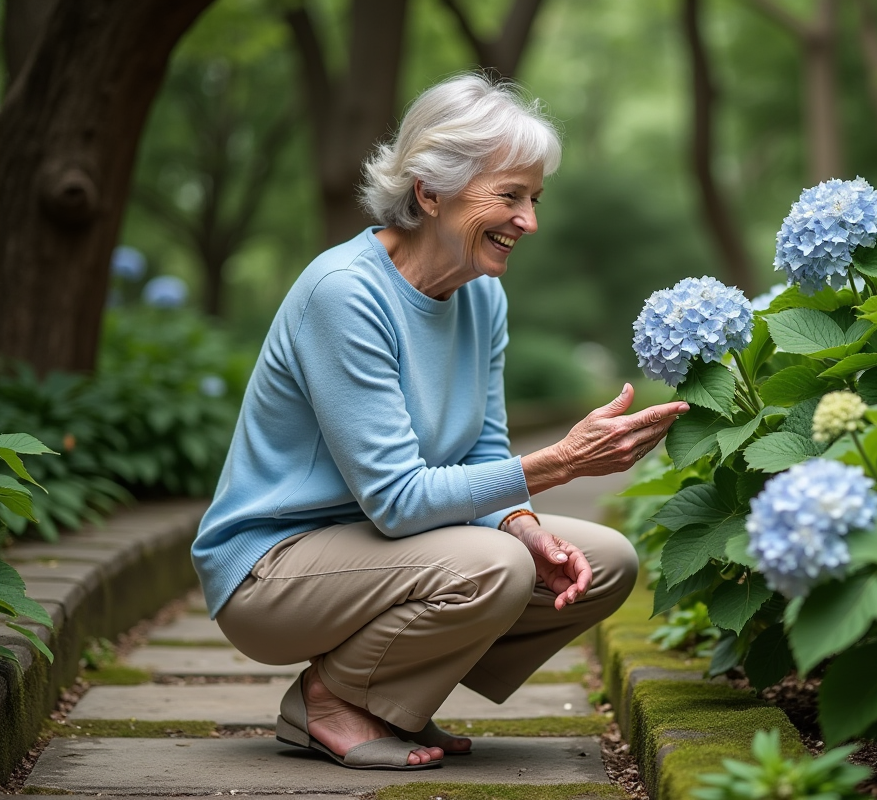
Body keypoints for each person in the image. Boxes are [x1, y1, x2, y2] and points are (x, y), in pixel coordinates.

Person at [190, 73, 689, 771]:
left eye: (534, 198)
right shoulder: (346, 294)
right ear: (429, 192)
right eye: (509, 196)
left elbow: (483, 443)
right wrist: (561, 464)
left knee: (603, 563)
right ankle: (329, 702)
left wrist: (525, 523)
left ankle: (389, 700)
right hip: (273, 568)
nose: (529, 222)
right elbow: (396, 502)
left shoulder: (481, 295)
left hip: (382, 550)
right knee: (492, 567)